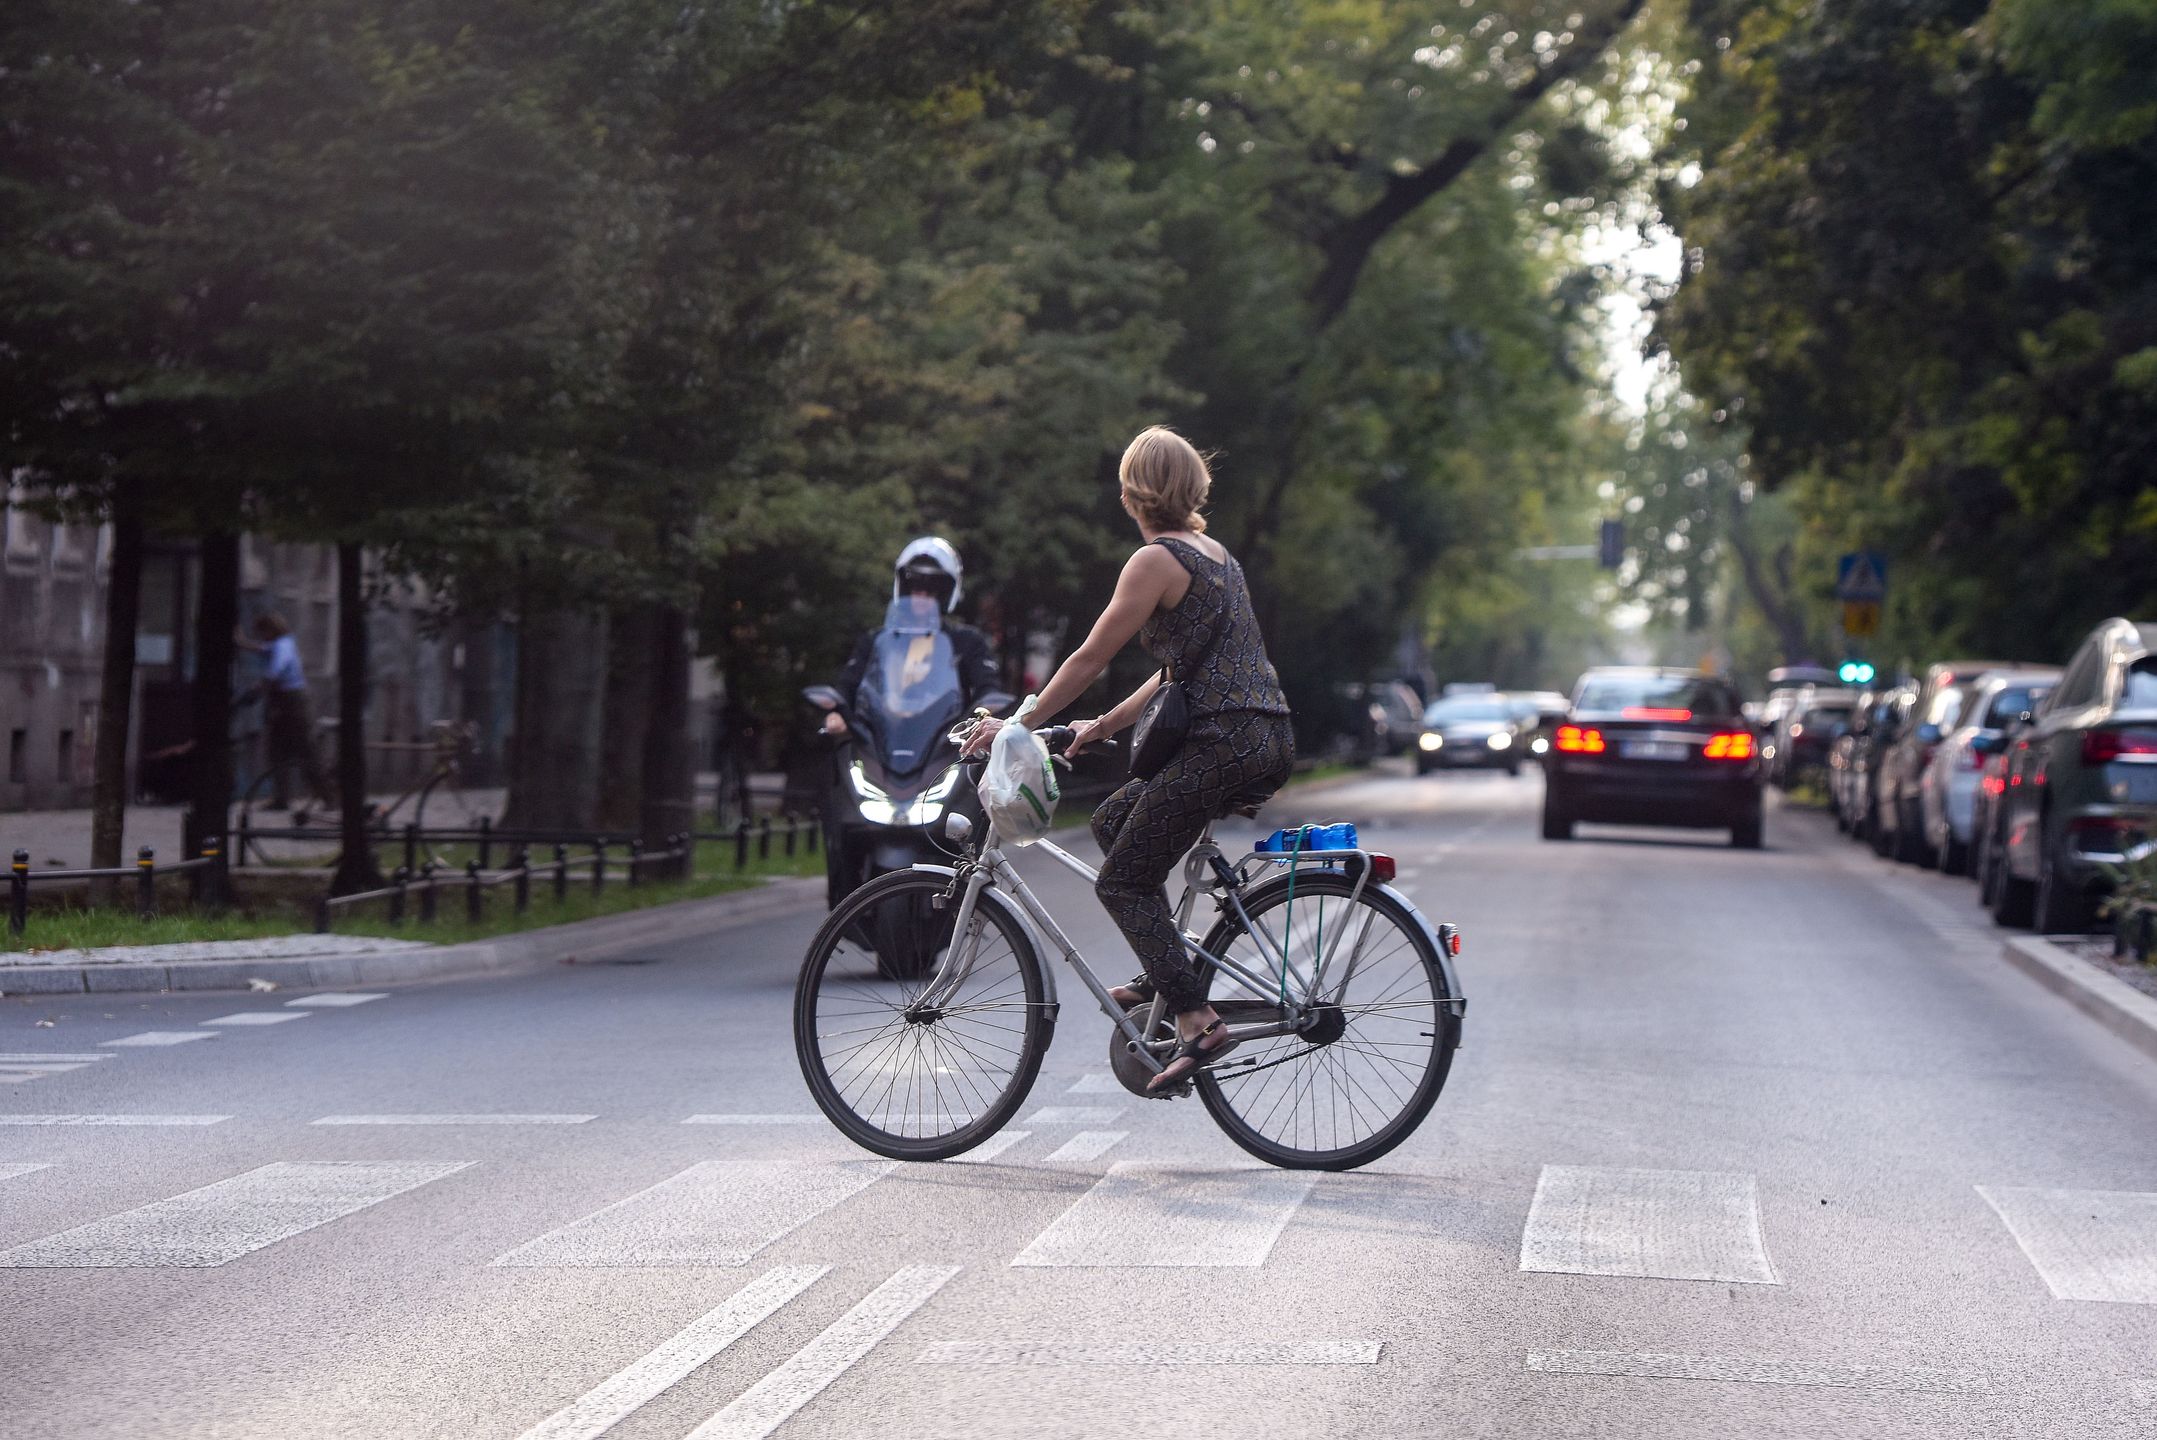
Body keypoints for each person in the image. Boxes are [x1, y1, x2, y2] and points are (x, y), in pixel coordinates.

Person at [966, 426, 1293, 1091]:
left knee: (1120, 882)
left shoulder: (1154, 561)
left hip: (1218, 744)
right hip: (1263, 735)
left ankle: (1199, 1022)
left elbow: (1090, 656)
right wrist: (1104, 724)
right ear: (1192, 488)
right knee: (1115, 823)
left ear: (1131, 493)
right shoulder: (1216, 556)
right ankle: (1162, 975)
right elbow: (1183, 666)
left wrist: (1016, 725)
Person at [823, 537, 999, 736]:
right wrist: (837, 712)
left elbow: (988, 687)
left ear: (944, 593)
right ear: (905, 589)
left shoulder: (967, 641)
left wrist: (985, 711)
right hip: (883, 741)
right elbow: (848, 683)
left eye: (930, 590)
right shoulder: (876, 641)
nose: (922, 597)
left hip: (946, 744)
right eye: (916, 588)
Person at [237, 612, 335, 813]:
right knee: (277, 750)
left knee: (305, 750)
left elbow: (277, 668)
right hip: (282, 702)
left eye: (262, 633)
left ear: (270, 630)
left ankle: (329, 797)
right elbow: (262, 649)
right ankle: (282, 798)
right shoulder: (278, 644)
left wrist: (259, 687)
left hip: (292, 702)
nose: (262, 637)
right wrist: (242, 641)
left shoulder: (283, 645)